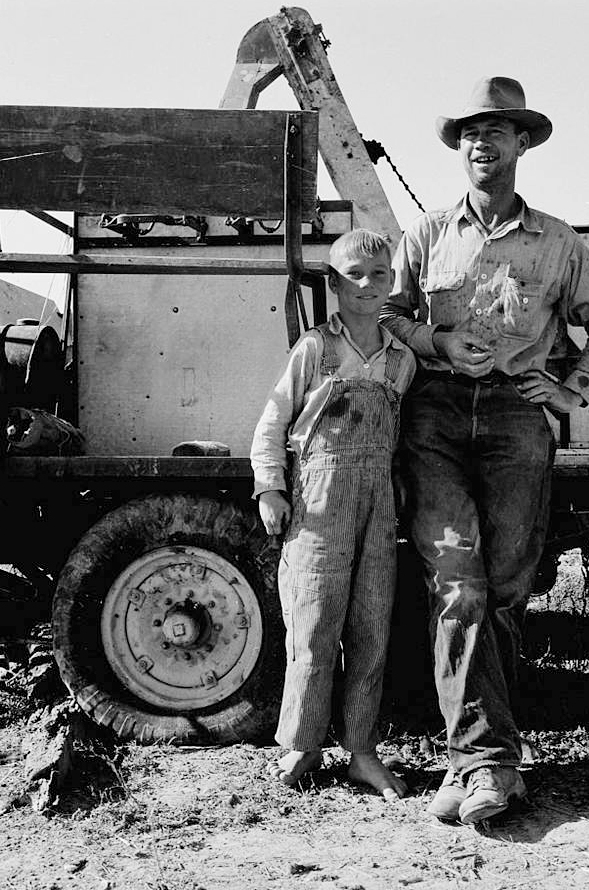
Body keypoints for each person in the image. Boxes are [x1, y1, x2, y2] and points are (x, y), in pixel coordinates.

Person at [380, 77, 589, 823]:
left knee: (507, 588)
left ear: (522, 143)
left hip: (518, 420)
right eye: (468, 133)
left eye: (495, 130)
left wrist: (571, 389)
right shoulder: (427, 233)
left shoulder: (557, 241)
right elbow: (388, 314)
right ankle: (485, 762)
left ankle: (481, 762)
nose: (480, 143)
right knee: (457, 584)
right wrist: (436, 341)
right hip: (433, 419)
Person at [251, 228, 415, 800]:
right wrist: (270, 489)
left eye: (378, 274)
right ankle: (303, 744)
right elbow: (272, 425)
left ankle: (362, 752)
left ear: (391, 283)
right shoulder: (315, 349)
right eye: (353, 275)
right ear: (334, 284)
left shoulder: (402, 361)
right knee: (314, 623)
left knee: (371, 627)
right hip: (317, 503)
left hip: (377, 505)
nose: (366, 285)